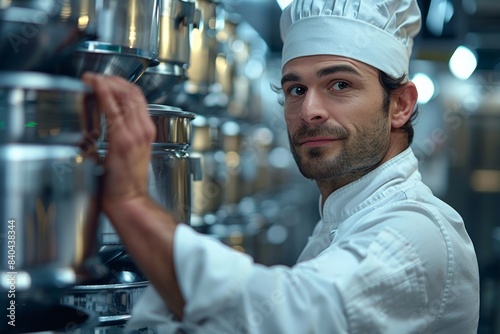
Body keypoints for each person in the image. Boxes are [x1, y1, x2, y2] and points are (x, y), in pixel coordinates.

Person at [82, 0, 480, 332]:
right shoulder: (342, 219)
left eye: (340, 84)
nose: (310, 111)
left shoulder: (418, 232)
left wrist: (132, 201)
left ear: (400, 105)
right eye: (296, 89)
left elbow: (288, 317)